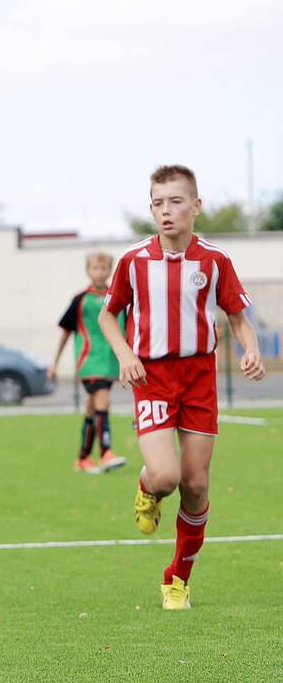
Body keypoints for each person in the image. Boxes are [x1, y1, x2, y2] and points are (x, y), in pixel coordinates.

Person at [98, 165, 264, 610]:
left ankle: (177, 579)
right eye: (157, 203)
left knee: (195, 485)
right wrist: (125, 354)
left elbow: (237, 316)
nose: (165, 211)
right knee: (167, 478)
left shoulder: (214, 260)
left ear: (196, 205)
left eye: (174, 201)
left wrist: (250, 349)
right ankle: (148, 486)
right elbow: (107, 315)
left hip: (198, 379)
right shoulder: (134, 261)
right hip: (151, 378)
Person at [48, 252, 127, 473]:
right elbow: (65, 332)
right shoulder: (80, 299)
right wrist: (55, 362)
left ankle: (83, 458)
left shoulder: (119, 297)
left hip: (110, 361)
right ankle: (105, 452)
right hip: (89, 361)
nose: (99, 273)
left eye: (103, 269)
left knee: (92, 407)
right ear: (88, 271)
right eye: (95, 269)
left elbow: (128, 329)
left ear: (110, 270)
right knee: (103, 400)